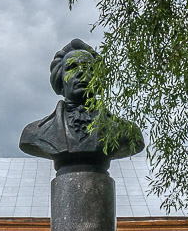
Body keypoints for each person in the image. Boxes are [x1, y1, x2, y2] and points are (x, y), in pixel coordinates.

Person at [19, 38, 143, 166]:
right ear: (60, 78)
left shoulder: (125, 131)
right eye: (72, 67)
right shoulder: (34, 132)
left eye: (87, 67)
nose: (80, 73)